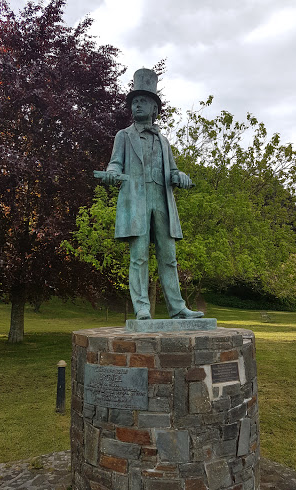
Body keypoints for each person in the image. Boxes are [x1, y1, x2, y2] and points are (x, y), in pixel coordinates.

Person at [102, 68, 203, 321]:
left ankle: (178, 308)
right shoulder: (123, 136)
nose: (137, 105)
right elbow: (115, 163)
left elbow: (173, 171)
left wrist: (180, 177)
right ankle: (142, 308)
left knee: (169, 258)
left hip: (162, 203)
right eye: (135, 102)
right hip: (136, 202)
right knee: (138, 257)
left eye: (142, 102)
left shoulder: (164, 141)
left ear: (154, 109)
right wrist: (112, 172)